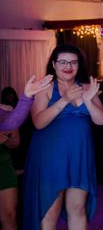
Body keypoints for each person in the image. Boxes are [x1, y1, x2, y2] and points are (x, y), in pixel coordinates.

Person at [22, 44, 103, 230]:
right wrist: (65, 99)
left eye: (73, 62)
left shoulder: (86, 86)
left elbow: (101, 120)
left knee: (77, 208)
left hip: (79, 156)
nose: (68, 66)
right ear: (54, 64)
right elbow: (38, 122)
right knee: (50, 209)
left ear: (79, 65)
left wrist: (88, 101)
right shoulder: (45, 87)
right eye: (63, 62)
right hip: (50, 157)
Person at [0, 77, 52, 230]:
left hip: (3, 166)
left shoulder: (3, 110)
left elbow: (12, 123)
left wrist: (26, 96)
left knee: (10, 216)